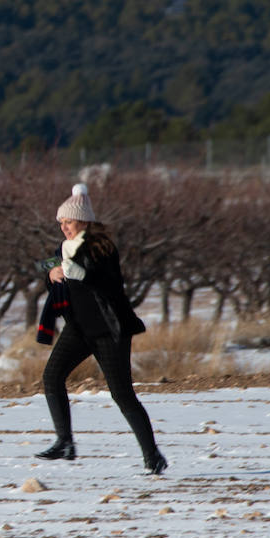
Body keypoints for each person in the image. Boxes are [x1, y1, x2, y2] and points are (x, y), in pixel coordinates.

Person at [36, 183, 167, 475]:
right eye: (60, 223)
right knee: (51, 376)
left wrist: (79, 273)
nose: (63, 228)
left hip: (109, 328)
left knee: (122, 394)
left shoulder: (101, 246)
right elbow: (42, 265)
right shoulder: (62, 248)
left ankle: (152, 455)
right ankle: (65, 442)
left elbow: (110, 284)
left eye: (68, 222)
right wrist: (51, 272)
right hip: (79, 328)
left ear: (82, 221)